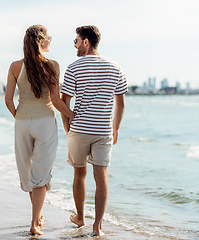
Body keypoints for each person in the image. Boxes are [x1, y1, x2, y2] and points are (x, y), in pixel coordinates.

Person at [5, 25, 74, 235]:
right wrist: (73, 116)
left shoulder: (15, 66)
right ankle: (35, 223)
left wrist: (20, 117)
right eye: (49, 38)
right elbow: (55, 100)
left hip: (22, 122)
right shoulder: (52, 65)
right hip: (45, 122)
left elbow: (8, 100)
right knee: (41, 172)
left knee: (28, 171)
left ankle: (37, 215)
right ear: (41, 41)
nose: (51, 42)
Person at [60, 25, 127, 236]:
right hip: (103, 130)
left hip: (79, 129)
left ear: (86, 42)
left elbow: (65, 101)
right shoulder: (116, 67)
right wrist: (115, 128)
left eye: (76, 41)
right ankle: (97, 226)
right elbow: (121, 104)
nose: (75, 45)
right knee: (102, 176)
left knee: (79, 172)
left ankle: (80, 218)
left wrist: (67, 127)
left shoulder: (74, 67)